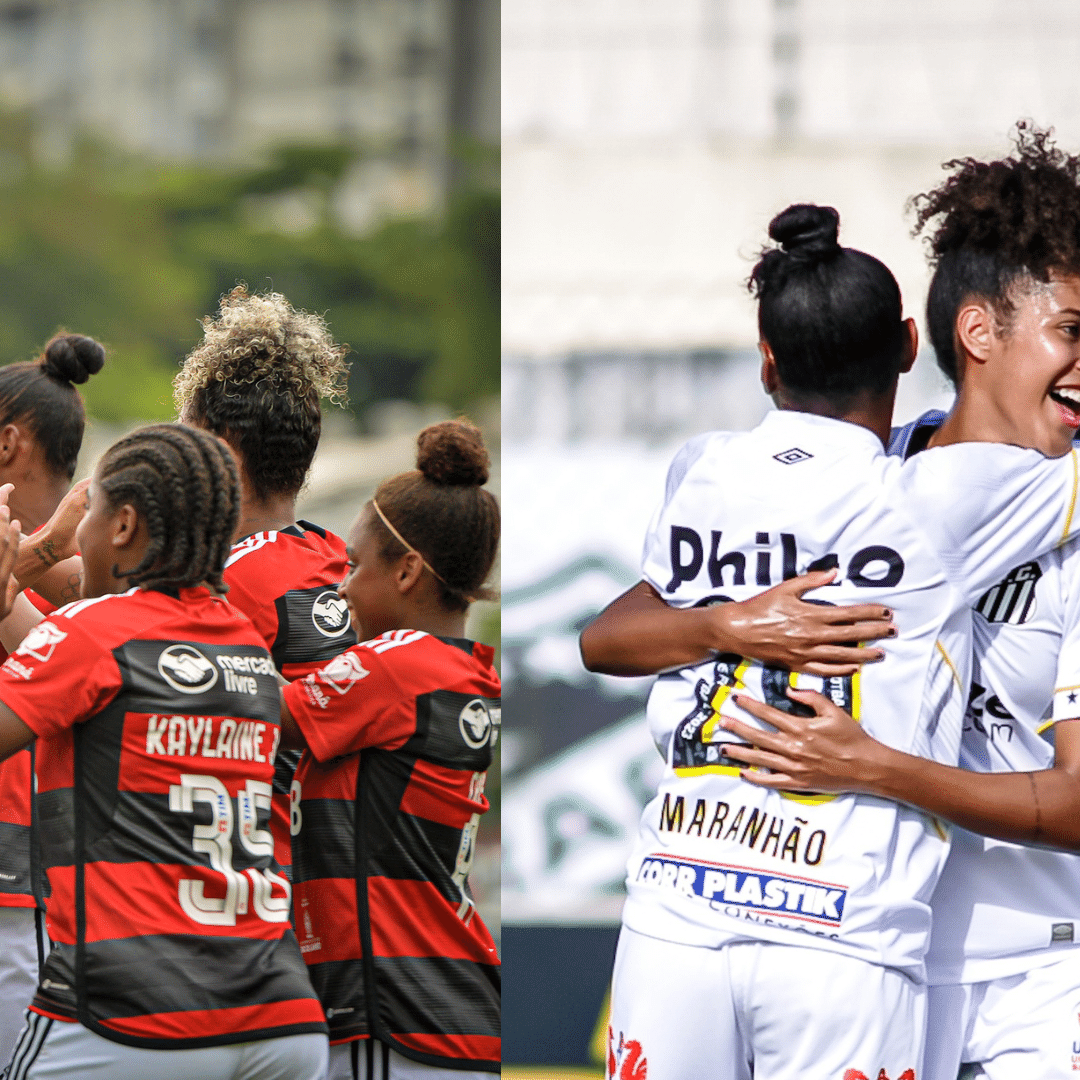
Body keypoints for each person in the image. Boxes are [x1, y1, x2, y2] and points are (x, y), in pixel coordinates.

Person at [581, 200, 1080, 1080]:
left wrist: (720, 623)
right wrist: (729, 625)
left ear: (766, 360)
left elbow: (605, 638)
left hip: (683, 904)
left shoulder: (701, 469)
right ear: (908, 349)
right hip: (840, 928)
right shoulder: (938, 498)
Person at [715, 127, 1080, 1080]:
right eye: (1074, 332)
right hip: (873, 954)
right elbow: (619, 629)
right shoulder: (869, 480)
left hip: (1046, 974)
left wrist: (878, 768)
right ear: (976, 331)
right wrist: (723, 624)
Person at [0, 424, 328, 1080]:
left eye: (89, 515)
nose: (80, 534)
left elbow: (75, 654)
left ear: (122, 526)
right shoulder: (246, 649)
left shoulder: (93, 634)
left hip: (130, 1013)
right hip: (281, 1015)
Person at [280, 419, 501, 1080]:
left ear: (406, 570)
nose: (340, 586)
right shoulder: (459, 667)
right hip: (443, 1003)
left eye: (353, 564)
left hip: (395, 1010)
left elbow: (257, 707)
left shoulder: (393, 667)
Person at [173, 284, 356, 882]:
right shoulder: (347, 565)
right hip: (349, 896)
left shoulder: (222, 582)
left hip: (255, 900)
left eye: (184, 438)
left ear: (220, 448)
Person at [0, 334, 104, 1068]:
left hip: (17, 882)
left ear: (9, 442)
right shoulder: (70, 557)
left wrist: (42, 552)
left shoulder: (86, 567)